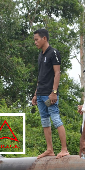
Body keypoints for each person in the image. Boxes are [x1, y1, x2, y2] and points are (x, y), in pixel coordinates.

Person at [31, 29, 69, 159]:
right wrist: (36, 94)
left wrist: (54, 92)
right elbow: (40, 75)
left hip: (49, 94)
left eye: (37, 39)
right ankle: (50, 149)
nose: (35, 42)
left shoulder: (53, 53)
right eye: (34, 40)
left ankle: (64, 149)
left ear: (44, 39)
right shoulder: (40, 55)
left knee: (56, 119)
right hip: (40, 93)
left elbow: (57, 73)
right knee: (44, 121)